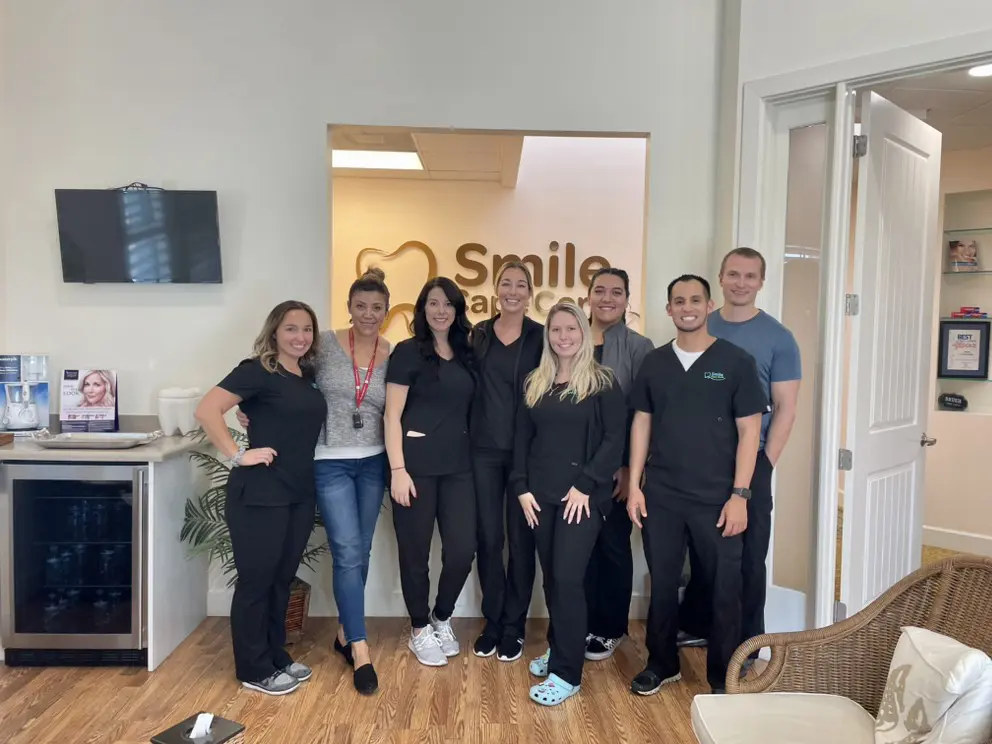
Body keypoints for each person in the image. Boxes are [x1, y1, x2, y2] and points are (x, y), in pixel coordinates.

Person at [626, 275, 767, 695]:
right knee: (663, 582)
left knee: (725, 586)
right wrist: (634, 485)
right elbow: (641, 423)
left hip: (718, 497)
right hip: (663, 495)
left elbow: (750, 433)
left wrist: (740, 495)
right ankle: (662, 662)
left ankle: (723, 674)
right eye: (678, 301)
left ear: (709, 306)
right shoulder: (654, 363)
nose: (687, 307)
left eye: (695, 300)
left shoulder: (736, 362)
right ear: (668, 309)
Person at [678, 248, 802, 671]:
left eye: (750, 276)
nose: (741, 283)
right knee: (702, 549)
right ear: (721, 278)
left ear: (761, 282)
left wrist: (764, 463)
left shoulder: (778, 337)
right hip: (698, 462)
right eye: (733, 274)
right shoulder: (699, 323)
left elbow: (785, 407)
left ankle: (747, 645)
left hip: (750, 464)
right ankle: (700, 623)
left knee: (748, 556)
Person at [195, 301, 327, 696]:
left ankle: (273, 655)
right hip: (260, 493)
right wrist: (238, 454)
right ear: (274, 333)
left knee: (281, 580)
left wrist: (249, 414)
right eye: (291, 329)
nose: (300, 337)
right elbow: (207, 409)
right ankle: (253, 669)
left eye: (306, 329)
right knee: (257, 582)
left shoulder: (306, 376)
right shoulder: (257, 371)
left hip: (299, 492)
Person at [511, 301, 627, 707]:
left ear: (583, 332)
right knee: (551, 579)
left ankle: (567, 674)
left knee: (567, 577)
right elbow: (522, 441)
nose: (563, 337)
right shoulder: (536, 381)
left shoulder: (602, 382)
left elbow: (615, 441)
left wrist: (585, 485)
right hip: (539, 497)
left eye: (571, 329)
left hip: (582, 498)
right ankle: (562, 648)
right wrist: (521, 487)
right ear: (548, 336)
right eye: (556, 330)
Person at [385, 277, 478, 667]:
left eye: (448, 304)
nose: (441, 310)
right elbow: (391, 415)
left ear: (457, 310)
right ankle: (419, 629)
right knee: (415, 555)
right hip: (415, 468)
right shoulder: (408, 352)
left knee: (461, 550)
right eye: (433, 303)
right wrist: (397, 469)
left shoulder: (466, 352)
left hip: (459, 467)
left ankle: (442, 616)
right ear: (422, 308)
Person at [470, 261, 544, 662]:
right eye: (506, 284)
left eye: (520, 285)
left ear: (530, 293)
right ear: (496, 290)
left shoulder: (542, 336)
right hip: (482, 451)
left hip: (525, 455)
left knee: (521, 540)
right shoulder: (478, 334)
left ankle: (514, 626)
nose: (512, 290)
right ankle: (493, 621)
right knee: (488, 538)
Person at [582, 267, 654, 662]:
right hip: (575, 468)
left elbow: (643, 414)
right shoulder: (569, 340)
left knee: (611, 545)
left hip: (617, 471)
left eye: (616, 292)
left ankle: (609, 627)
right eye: (600, 291)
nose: (607, 298)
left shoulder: (640, 348)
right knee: (579, 550)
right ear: (588, 296)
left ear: (627, 300)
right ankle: (581, 622)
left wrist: (631, 470)